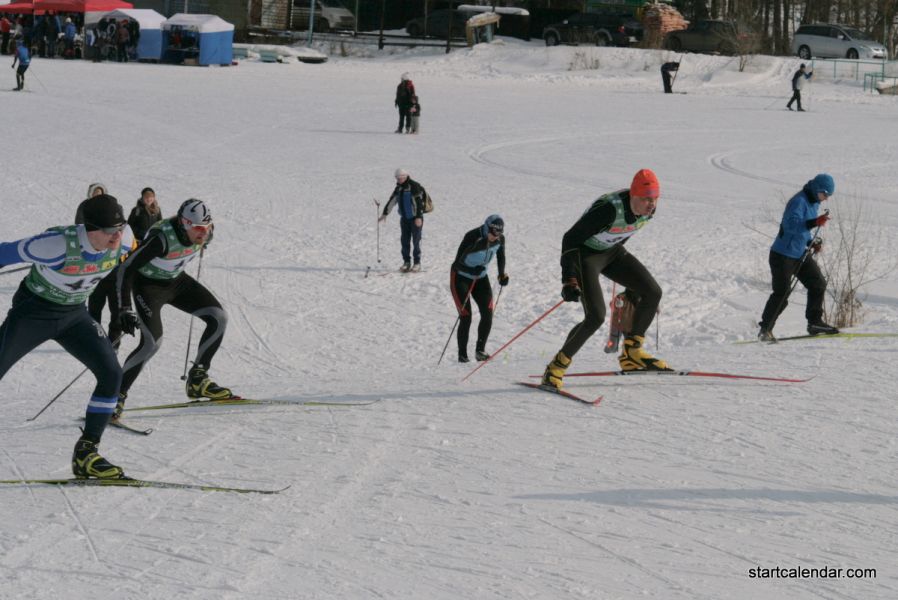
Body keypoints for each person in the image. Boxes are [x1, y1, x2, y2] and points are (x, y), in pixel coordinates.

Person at [0, 194, 134, 479]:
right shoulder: (55, 245)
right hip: (34, 313)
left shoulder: (124, 239)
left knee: (112, 374)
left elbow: (131, 259)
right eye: (109, 231)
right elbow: (3, 253)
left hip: (74, 315)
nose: (116, 237)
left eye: (120, 229)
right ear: (87, 228)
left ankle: (87, 454)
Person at [541, 169, 670, 390]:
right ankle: (555, 368)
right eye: (646, 199)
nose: (651, 204)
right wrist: (568, 279)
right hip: (584, 256)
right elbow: (570, 238)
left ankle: (632, 353)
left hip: (611, 252)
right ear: (633, 195)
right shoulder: (609, 209)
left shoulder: (649, 211)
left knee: (652, 292)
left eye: (655, 198)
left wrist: (631, 286)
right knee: (596, 317)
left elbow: (625, 231)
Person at [115, 199, 232, 416]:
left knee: (219, 317)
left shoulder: (207, 232)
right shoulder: (161, 239)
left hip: (176, 281)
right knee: (152, 343)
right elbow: (126, 268)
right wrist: (124, 308)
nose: (203, 233)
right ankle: (115, 396)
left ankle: (198, 379)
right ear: (184, 223)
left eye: (206, 227)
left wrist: (203, 237)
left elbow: (204, 237)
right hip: (148, 286)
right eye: (198, 228)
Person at [758, 173, 838, 341]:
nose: (825, 198)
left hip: (798, 253)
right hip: (782, 255)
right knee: (782, 293)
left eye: (828, 196)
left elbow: (804, 229)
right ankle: (765, 330)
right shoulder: (798, 201)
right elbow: (790, 225)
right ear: (817, 189)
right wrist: (814, 222)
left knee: (818, 284)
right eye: (825, 194)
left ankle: (814, 323)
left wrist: (812, 241)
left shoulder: (813, 202)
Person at [451, 215, 508, 363]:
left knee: (488, 313)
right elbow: (457, 263)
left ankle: (480, 351)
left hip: (480, 278)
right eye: (492, 233)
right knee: (466, 316)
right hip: (460, 278)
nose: (494, 238)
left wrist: (502, 275)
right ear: (486, 228)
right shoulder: (472, 237)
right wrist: (471, 271)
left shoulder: (499, 239)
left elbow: (501, 256)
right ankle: (462, 356)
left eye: (498, 234)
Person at [378, 168, 427, 272]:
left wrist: (418, 217)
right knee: (404, 241)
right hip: (404, 219)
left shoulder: (414, 186)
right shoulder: (399, 188)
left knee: (416, 241)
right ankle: (406, 262)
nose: (399, 180)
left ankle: (417, 263)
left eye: (401, 178)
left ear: (406, 176)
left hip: (415, 219)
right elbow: (392, 201)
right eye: (397, 178)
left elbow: (419, 203)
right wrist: (385, 214)